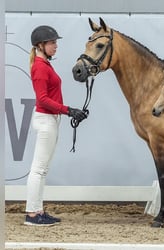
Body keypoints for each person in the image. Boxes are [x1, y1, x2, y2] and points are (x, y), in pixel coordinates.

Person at [24, 25, 87, 226]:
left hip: (50, 119)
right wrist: (68, 110)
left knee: (43, 169)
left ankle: (37, 210)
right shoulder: (40, 68)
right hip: (46, 120)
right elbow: (42, 99)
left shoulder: (45, 64)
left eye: (55, 42)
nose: (56, 46)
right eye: (52, 43)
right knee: (38, 169)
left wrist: (67, 111)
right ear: (40, 45)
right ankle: (32, 214)